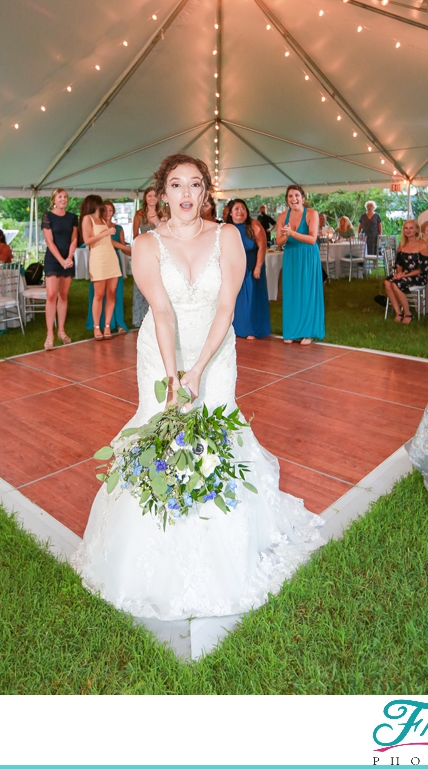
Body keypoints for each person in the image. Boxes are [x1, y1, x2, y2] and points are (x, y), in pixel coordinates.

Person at [71, 153, 323, 620]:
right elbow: (161, 312)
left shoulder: (228, 235)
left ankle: (224, 538)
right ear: (162, 193)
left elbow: (226, 306)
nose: (185, 194)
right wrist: (173, 375)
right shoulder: (146, 245)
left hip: (214, 347)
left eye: (194, 185)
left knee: (216, 426)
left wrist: (199, 370)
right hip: (162, 352)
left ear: (206, 193)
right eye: (175, 185)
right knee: (159, 426)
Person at [276, 184, 324, 345]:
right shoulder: (283, 216)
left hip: (307, 255)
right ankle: (292, 331)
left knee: (307, 290)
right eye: (290, 196)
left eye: (296, 195)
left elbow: (312, 239)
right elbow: (278, 242)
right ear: (287, 200)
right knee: (291, 291)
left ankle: (308, 332)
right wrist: (285, 235)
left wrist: (292, 233)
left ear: (303, 198)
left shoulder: (312, 214)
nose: (293, 199)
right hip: (291, 255)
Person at [224, 199, 271, 340]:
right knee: (237, 301)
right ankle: (238, 328)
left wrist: (258, 267)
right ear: (231, 213)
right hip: (234, 269)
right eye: (236, 209)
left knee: (251, 300)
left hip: (251, 268)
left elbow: (262, 247)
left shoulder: (254, 225)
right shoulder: (227, 228)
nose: (240, 211)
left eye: (243, 208)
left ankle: (253, 329)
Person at [82, 195, 122, 341]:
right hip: (98, 258)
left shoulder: (104, 220)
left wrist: (125, 247)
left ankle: (107, 326)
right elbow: (87, 240)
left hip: (111, 257)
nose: (102, 207)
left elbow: (109, 241)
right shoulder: (88, 219)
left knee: (111, 293)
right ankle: (96, 326)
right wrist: (106, 232)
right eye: (100, 204)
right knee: (99, 295)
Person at [41, 188, 78, 350]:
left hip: (67, 260)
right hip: (53, 260)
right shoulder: (47, 217)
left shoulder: (72, 217)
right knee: (51, 295)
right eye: (60, 197)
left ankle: (61, 331)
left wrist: (69, 258)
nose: (63, 199)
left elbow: (74, 238)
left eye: (65, 197)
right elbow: (49, 241)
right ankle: (50, 334)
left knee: (63, 295)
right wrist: (61, 260)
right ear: (54, 200)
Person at [87, 204, 129, 334]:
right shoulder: (98, 225)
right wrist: (128, 249)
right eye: (105, 210)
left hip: (113, 260)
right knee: (99, 294)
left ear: (114, 212)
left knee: (114, 293)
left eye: (110, 210)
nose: (108, 212)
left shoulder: (118, 228)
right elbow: (107, 242)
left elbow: (122, 246)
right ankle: (99, 325)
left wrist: (133, 251)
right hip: (100, 260)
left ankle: (118, 323)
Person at [384, 218, 428, 324]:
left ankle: (408, 313)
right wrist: (400, 273)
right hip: (404, 274)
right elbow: (399, 263)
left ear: (417, 230)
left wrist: (404, 276)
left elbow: (422, 269)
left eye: (411, 228)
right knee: (387, 282)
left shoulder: (422, 245)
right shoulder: (402, 244)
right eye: (406, 228)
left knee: (396, 284)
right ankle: (398, 312)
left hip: (418, 275)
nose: (408, 231)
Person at [132, 186, 161, 328]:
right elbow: (135, 235)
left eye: (154, 196)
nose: (152, 198)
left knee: (157, 286)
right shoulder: (139, 214)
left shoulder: (163, 214)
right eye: (149, 196)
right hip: (143, 253)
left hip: (158, 253)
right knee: (141, 287)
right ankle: (139, 319)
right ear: (145, 198)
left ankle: (156, 318)